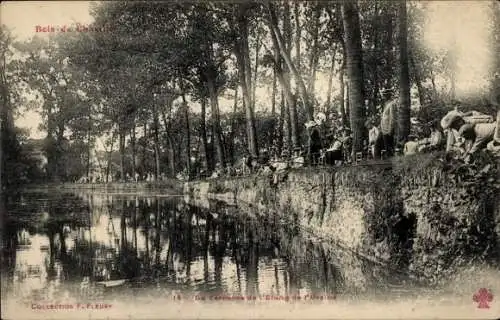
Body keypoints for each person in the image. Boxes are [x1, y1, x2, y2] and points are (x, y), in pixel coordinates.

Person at [380, 90, 397, 157]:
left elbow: (393, 118)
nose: (384, 97)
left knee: (390, 146)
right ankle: (389, 162)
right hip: (384, 129)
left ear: (388, 96)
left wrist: (391, 129)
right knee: (386, 147)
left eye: (385, 95)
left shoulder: (392, 104)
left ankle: (391, 162)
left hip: (388, 129)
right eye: (383, 95)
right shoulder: (386, 105)